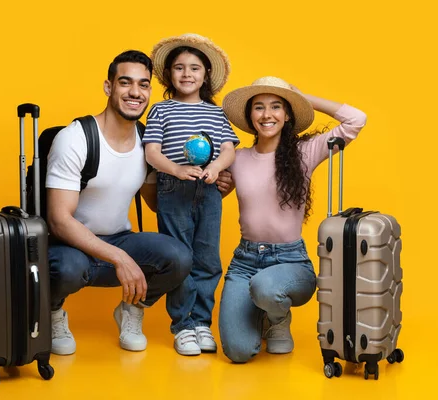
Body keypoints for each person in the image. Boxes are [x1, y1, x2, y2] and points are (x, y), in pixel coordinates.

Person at [45, 50, 193, 355]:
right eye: (125, 83)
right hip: (70, 247)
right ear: (108, 86)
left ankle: (131, 310)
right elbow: (59, 220)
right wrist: (120, 258)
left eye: (143, 85)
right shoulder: (76, 138)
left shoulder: (147, 141)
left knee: (179, 256)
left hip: (120, 239)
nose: (135, 93)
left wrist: (210, 182)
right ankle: (53, 313)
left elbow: (155, 203)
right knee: (66, 268)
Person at [216, 76, 367, 363]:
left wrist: (303, 98)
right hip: (244, 261)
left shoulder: (304, 153)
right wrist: (218, 185)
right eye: (258, 107)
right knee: (238, 351)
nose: (267, 114)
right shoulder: (236, 158)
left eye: (276, 106)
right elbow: (216, 194)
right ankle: (263, 310)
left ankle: (277, 318)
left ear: (287, 115)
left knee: (267, 288)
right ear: (250, 116)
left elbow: (356, 120)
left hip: (290, 262)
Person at [142, 34, 240, 356]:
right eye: (180, 68)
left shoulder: (216, 112)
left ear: (205, 75)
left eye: (194, 68)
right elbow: (152, 153)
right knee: (181, 259)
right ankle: (182, 326)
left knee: (208, 259)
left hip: (209, 190)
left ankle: (202, 323)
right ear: (169, 74)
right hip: (173, 189)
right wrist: (175, 170)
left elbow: (228, 150)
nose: (187, 74)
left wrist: (215, 167)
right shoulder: (160, 110)